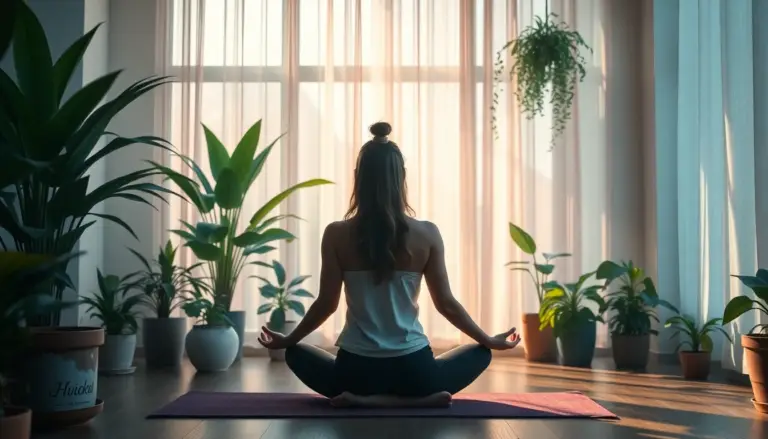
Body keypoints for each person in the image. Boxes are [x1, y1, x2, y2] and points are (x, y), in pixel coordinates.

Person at [257, 121, 521, 408]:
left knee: (296, 353)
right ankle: (412, 401)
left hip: (354, 373)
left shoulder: (336, 234)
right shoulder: (427, 233)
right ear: (402, 177)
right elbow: (445, 303)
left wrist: (288, 340)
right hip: (416, 373)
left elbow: (326, 304)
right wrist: (487, 339)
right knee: (480, 353)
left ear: (358, 177)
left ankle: (365, 400)